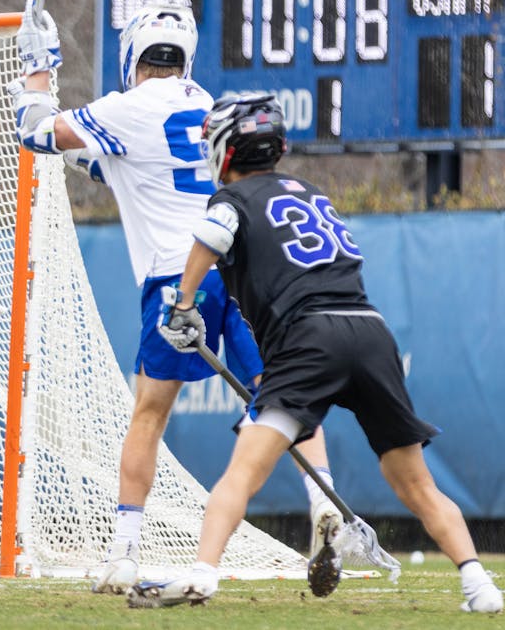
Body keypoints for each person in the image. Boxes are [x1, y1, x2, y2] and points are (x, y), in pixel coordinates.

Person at [10, 0, 341, 593]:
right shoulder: (210, 106)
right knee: (282, 393)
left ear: (132, 54)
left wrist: (37, 72)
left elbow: (36, 133)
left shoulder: (127, 107)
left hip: (179, 275)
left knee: (149, 413)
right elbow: (110, 167)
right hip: (245, 269)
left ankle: (124, 551)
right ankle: (324, 496)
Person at [132, 92, 503, 613]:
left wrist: (184, 303)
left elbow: (212, 235)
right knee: (416, 482)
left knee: (245, 470)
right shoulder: (311, 192)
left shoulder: (232, 199)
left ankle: (203, 573)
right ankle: (479, 585)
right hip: (370, 331)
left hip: (308, 337)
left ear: (226, 148)